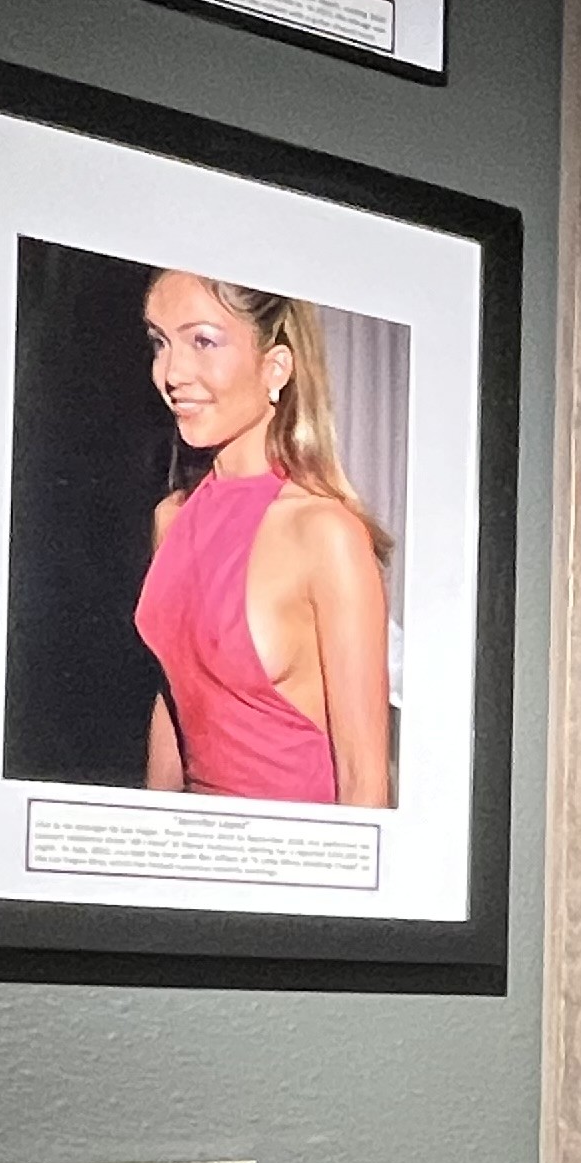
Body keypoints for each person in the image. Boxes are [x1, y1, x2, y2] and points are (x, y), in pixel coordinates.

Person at [132, 272, 393, 807]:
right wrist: (147, 840)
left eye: (203, 341)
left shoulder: (326, 534)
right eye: (161, 342)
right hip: (195, 847)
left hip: (298, 851)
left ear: (275, 367)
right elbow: (177, 701)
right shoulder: (172, 519)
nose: (172, 373)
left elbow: (364, 781)